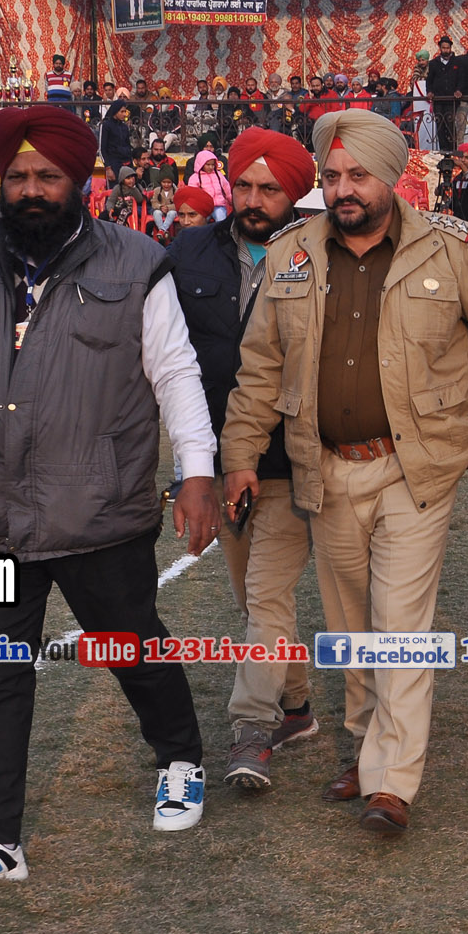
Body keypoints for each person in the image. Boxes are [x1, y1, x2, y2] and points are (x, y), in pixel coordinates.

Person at [0, 104, 220, 903]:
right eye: (17, 176)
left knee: (130, 644)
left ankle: (180, 757)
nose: (31, 189)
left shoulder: (136, 262)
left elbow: (176, 373)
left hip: (99, 503)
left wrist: (197, 472)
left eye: (47, 176)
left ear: (80, 180)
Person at [222, 107, 468, 837]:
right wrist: (239, 457)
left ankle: (393, 782)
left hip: (414, 470)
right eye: (331, 177)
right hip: (323, 469)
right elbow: (259, 368)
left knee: (399, 623)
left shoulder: (451, 249)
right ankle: (365, 749)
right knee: (351, 625)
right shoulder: (292, 253)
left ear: (391, 176)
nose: (343, 189)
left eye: (357, 175)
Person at [166, 129, 322, 789]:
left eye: (270, 189)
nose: (254, 200)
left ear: (296, 193)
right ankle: (297, 708)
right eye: (245, 186)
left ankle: (252, 729)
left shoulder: (322, 253)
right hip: (218, 460)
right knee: (251, 600)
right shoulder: (188, 252)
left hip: (292, 459)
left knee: (266, 595)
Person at [427, 36, 461, 151]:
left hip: (451, 99)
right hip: (438, 99)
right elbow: (429, 80)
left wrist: (458, 90)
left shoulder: (457, 62)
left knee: (450, 124)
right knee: (440, 125)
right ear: (440, 48)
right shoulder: (433, 63)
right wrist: (430, 92)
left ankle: (453, 149)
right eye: (443, 48)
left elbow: (461, 79)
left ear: (450, 48)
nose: (445, 50)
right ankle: (443, 150)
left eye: (447, 48)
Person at [188, 149, 232, 220]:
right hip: (203, 207)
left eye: (213, 165)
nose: (211, 167)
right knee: (200, 221)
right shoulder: (195, 178)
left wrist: (231, 201)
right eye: (208, 165)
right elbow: (192, 193)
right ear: (201, 164)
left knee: (221, 218)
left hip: (219, 205)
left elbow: (227, 188)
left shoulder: (219, 174)